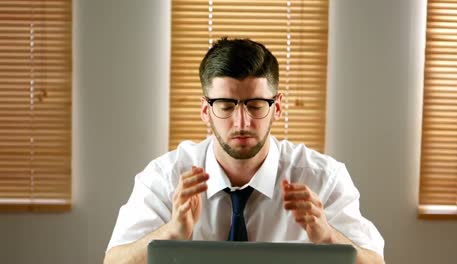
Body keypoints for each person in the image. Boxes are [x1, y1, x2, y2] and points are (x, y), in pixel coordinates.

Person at [103, 37, 385, 264]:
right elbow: (113, 261)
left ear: (277, 107)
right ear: (205, 110)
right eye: (226, 106)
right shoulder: (165, 176)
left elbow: (375, 261)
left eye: (255, 105)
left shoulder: (324, 177)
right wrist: (171, 233)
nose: (242, 122)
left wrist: (328, 238)